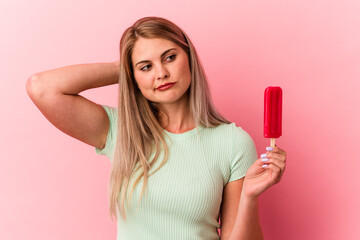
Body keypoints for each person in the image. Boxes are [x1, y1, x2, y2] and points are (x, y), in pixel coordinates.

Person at [26, 16, 287, 240]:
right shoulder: (120, 131)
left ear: (190, 59)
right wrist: (128, 68)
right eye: (146, 67)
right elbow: (42, 87)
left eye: (170, 57)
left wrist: (250, 197)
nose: (160, 73)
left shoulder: (233, 142)